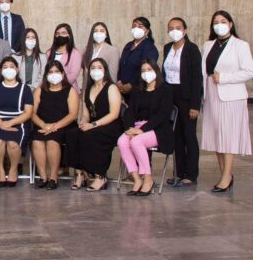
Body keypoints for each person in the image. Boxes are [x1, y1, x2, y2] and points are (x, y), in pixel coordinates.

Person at [200, 10, 253, 192]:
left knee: (228, 137)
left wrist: (225, 78)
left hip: (231, 96)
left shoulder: (240, 45)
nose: (219, 25)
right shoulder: (208, 45)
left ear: (230, 24)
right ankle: (225, 174)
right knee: (217, 136)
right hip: (212, 95)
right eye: (216, 22)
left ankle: (226, 177)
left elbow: (248, 71)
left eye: (223, 21)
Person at [117, 60, 175, 196]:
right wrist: (129, 128)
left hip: (157, 128)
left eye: (149, 69)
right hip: (136, 127)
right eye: (143, 71)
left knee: (136, 141)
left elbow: (162, 115)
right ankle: (137, 179)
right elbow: (130, 112)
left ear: (156, 71)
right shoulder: (138, 90)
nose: (146, 73)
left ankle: (148, 179)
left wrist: (142, 130)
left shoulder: (165, 89)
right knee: (122, 141)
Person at [66, 58, 123, 191]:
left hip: (111, 125)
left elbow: (114, 113)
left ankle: (100, 176)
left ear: (105, 70)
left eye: (99, 67)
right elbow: (86, 114)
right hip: (93, 124)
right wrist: (83, 122)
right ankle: (80, 174)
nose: (96, 71)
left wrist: (94, 125)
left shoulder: (111, 87)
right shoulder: (87, 89)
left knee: (91, 136)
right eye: (93, 68)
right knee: (72, 134)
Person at [162, 17, 203, 187]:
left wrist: (195, 104)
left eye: (178, 28)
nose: (174, 31)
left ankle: (191, 174)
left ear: (185, 30)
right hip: (171, 95)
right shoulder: (167, 48)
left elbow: (196, 79)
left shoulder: (192, 49)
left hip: (186, 96)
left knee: (189, 135)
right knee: (175, 135)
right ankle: (179, 172)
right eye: (171, 28)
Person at [31, 61, 80, 189]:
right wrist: (43, 125)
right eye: (51, 72)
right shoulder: (39, 91)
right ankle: (43, 177)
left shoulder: (70, 91)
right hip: (43, 125)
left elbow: (73, 114)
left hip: (64, 125)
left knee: (52, 141)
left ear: (63, 74)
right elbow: (31, 112)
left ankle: (53, 177)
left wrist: (55, 126)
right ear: (46, 75)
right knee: (37, 141)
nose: (54, 75)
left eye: (57, 72)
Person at [0, 57, 33, 187]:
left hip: (19, 122)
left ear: (17, 69)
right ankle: (0, 171)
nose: (8, 69)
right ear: (1, 71)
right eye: (5, 67)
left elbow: (28, 112)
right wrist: (1, 124)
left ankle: (13, 170)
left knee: (13, 144)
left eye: (11, 66)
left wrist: (10, 123)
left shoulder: (25, 89)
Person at [117, 17, 159, 102]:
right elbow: (121, 65)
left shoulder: (149, 47)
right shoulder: (128, 45)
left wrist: (131, 84)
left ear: (147, 31)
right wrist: (119, 81)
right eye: (134, 26)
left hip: (139, 88)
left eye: (140, 26)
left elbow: (146, 69)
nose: (136, 28)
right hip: (123, 89)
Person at [81, 22, 120, 87]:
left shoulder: (113, 50)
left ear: (106, 34)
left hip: (104, 88)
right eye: (96, 31)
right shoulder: (86, 49)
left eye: (102, 31)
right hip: (88, 88)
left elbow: (113, 75)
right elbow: (85, 74)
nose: (98, 33)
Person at [47, 23, 82, 92]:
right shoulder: (49, 52)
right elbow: (45, 72)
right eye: (57, 33)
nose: (60, 35)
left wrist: (59, 87)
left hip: (69, 90)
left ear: (69, 35)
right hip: (50, 90)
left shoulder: (75, 53)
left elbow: (73, 75)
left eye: (63, 33)